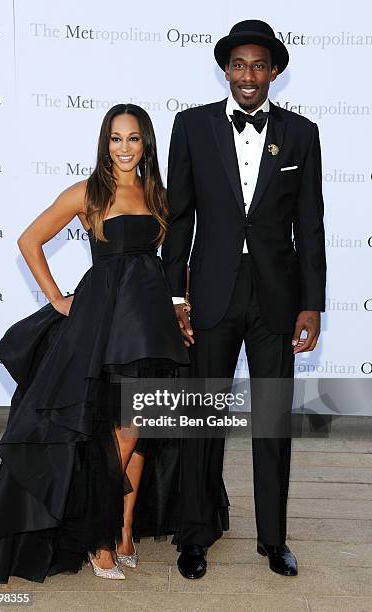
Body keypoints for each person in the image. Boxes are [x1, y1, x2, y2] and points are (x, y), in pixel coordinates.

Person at [0, 104, 189, 583]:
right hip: (104, 322)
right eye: (115, 138)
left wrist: (178, 306)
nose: (124, 148)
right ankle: (99, 537)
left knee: (140, 428)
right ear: (104, 143)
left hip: (148, 323)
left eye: (132, 138)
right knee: (116, 432)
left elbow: (168, 262)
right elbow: (30, 240)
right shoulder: (89, 192)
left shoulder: (157, 193)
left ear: (145, 143)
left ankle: (125, 530)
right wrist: (57, 298)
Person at [162, 19, 326, 579]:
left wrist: (313, 303)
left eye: (259, 65)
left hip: (277, 301)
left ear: (274, 72)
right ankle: (194, 536)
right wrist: (176, 298)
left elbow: (311, 225)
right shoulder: (192, 126)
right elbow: (180, 217)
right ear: (225, 69)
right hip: (209, 295)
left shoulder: (302, 134)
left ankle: (273, 540)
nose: (248, 75)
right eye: (238, 65)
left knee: (272, 421)